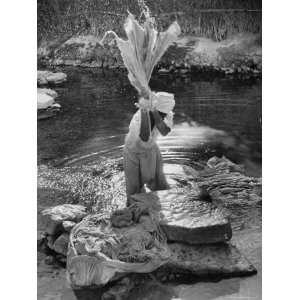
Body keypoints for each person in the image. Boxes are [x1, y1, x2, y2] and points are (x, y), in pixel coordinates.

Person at [123, 90, 175, 199]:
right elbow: (144, 137)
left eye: (164, 113)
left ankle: (162, 204)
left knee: (160, 184)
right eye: (161, 113)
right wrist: (145, 110)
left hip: (151, 148)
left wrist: (156, 112)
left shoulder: (166, 114)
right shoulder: (139, 117)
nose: (163, 116)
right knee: (134, 190)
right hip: (133, 151)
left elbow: (164, 131)